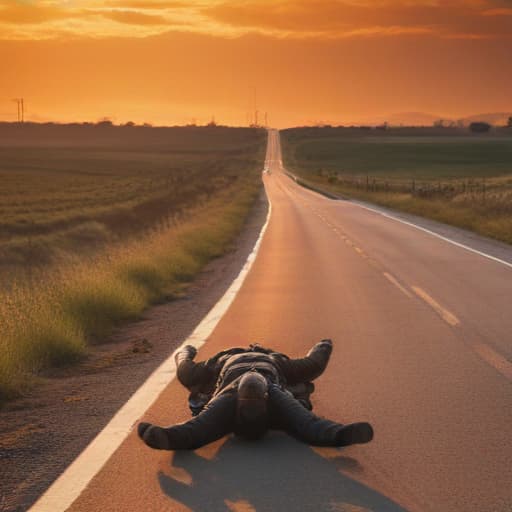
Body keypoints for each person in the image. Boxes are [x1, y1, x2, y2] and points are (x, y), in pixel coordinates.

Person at [138, 339, 374, 450]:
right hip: (267, 385)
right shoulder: (281, 363)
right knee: (308, 422)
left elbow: (184, 366)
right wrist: (323, 345)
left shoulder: (212, 367)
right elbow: (314, 363)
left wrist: (186, 350)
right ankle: (337, 434)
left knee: (196, 423)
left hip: (234, 387)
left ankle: (338, 435)